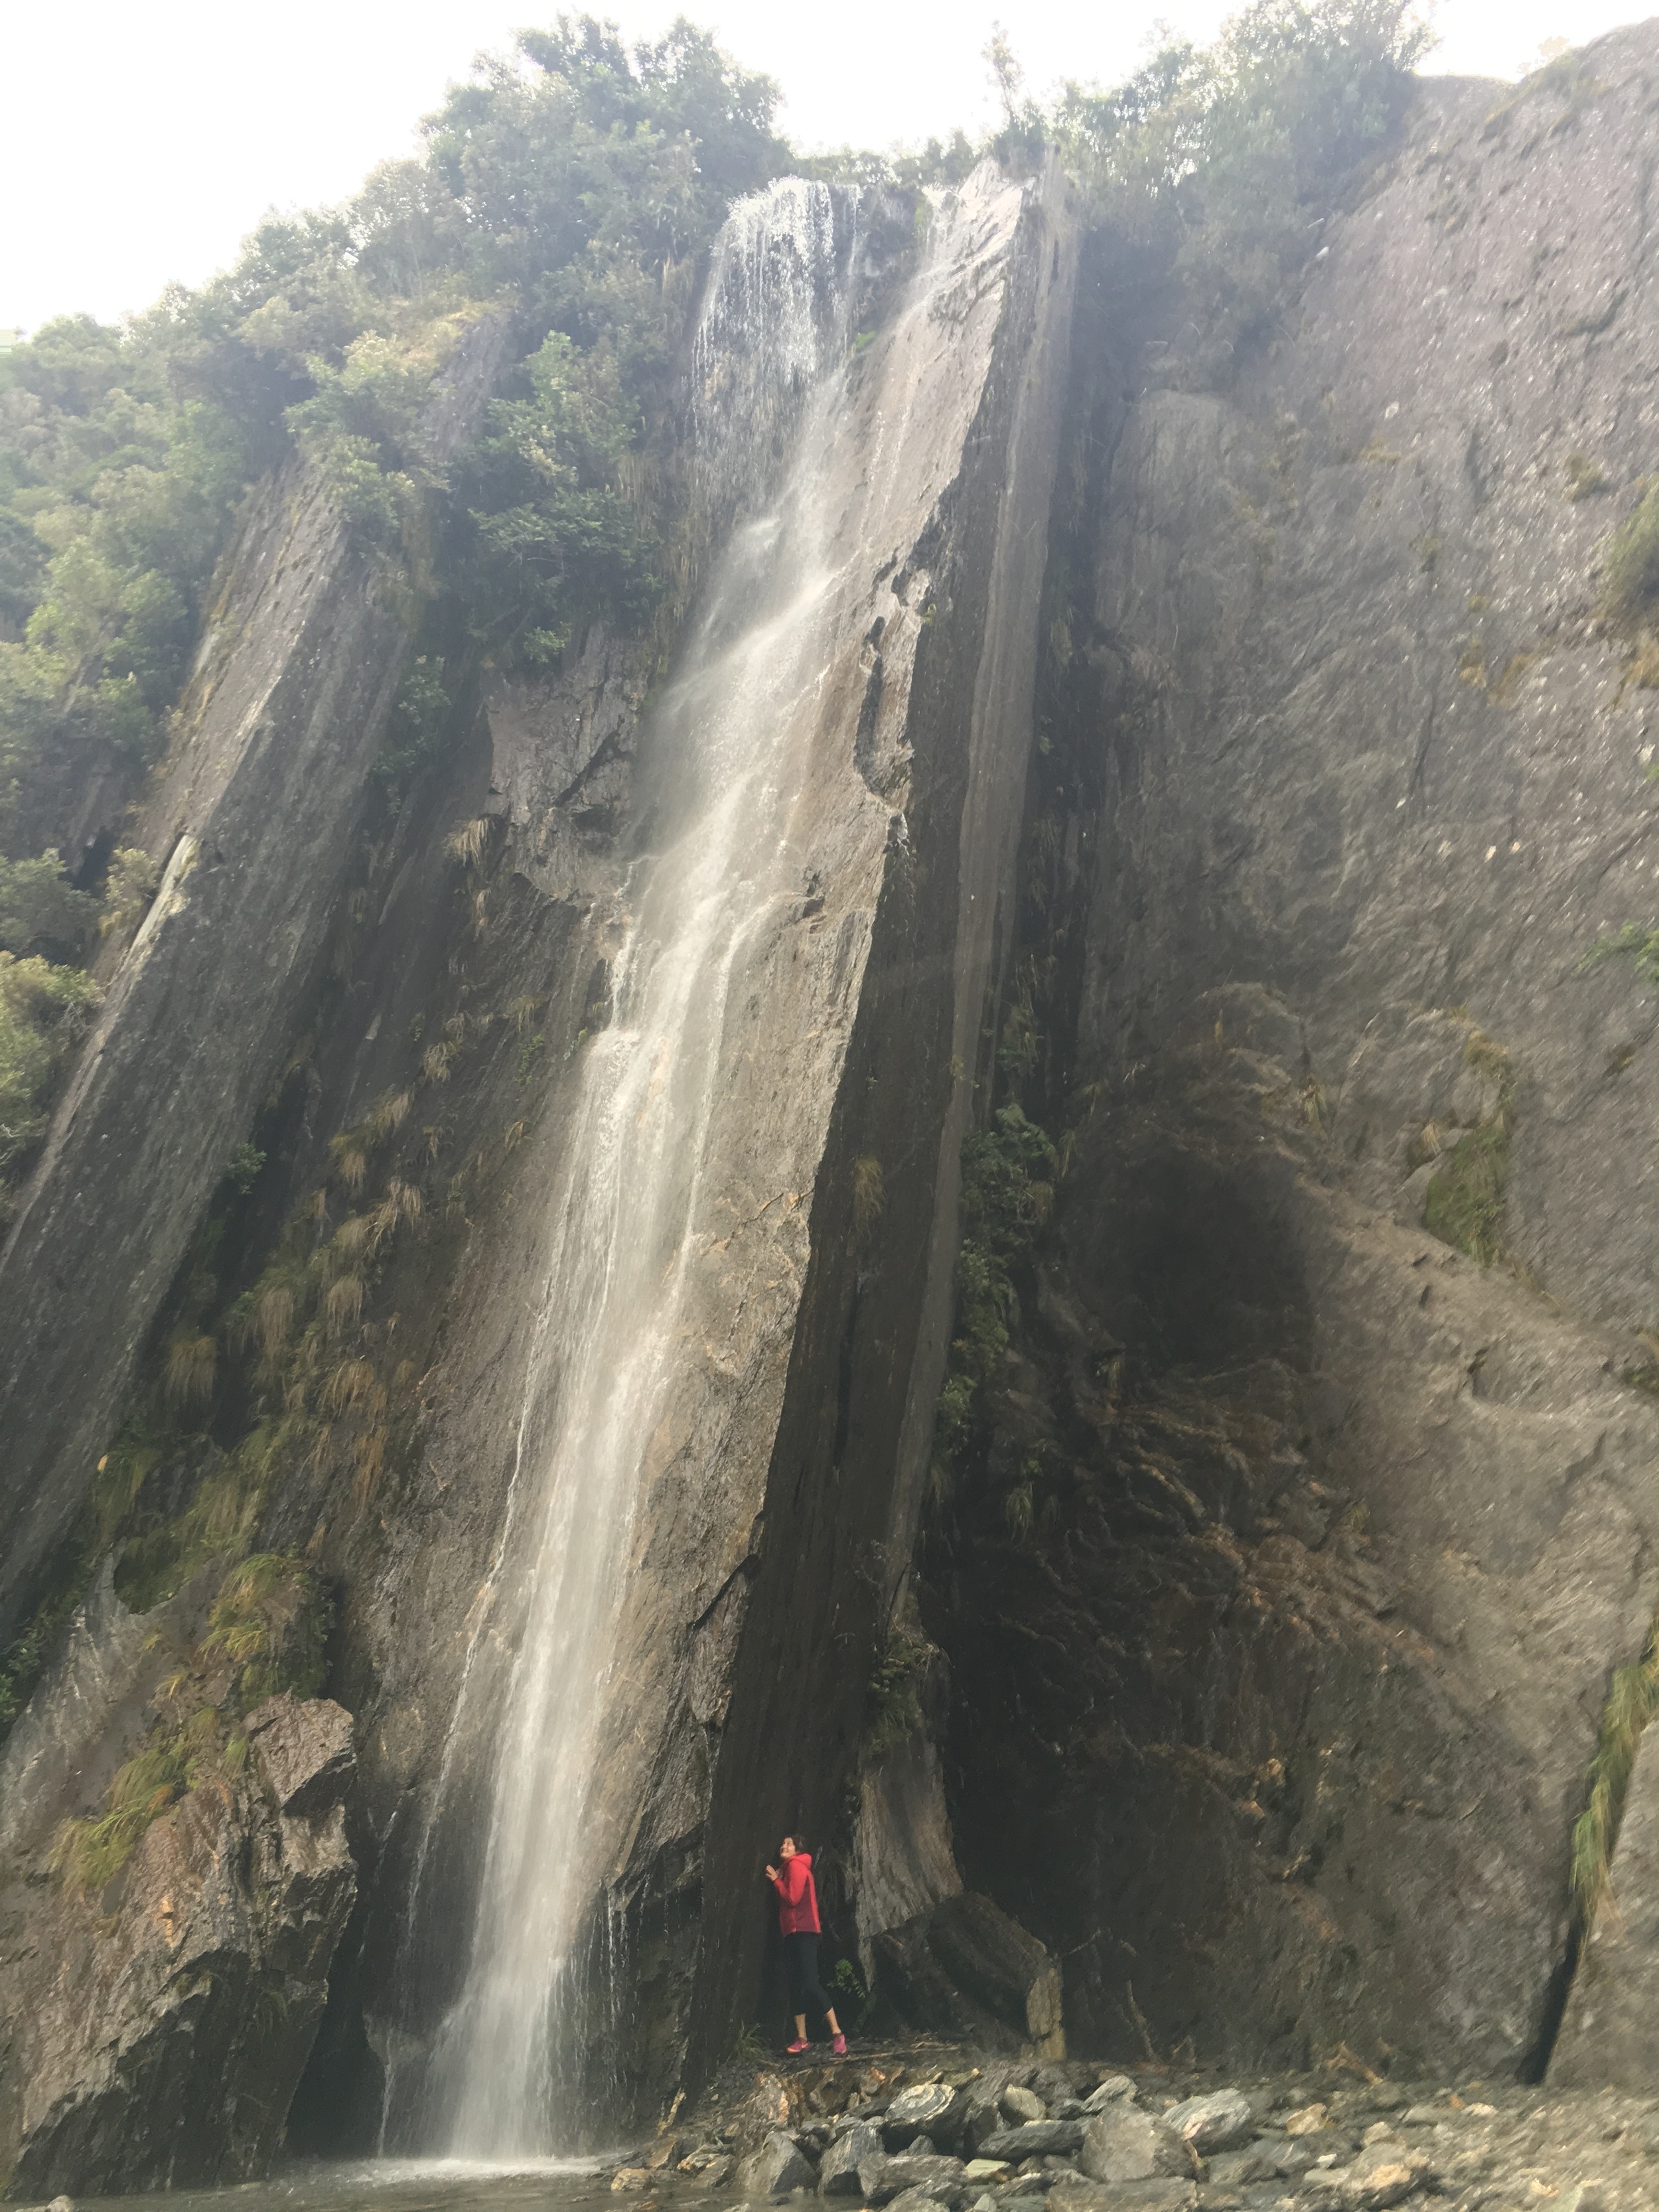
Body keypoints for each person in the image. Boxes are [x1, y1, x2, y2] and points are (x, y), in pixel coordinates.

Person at [765, 1835, 847, 2055]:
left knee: (811, 1983)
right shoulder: (789, 1868)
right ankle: (802, 2038)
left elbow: (792, 1898)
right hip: (792, 1932)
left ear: (798, 1851)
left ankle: (837, 2034)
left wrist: (775, 1880)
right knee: (795, 1985)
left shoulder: (797, 1866)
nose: (784, 1846)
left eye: (789, 1844)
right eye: (782, 1843)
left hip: (806, 1932)